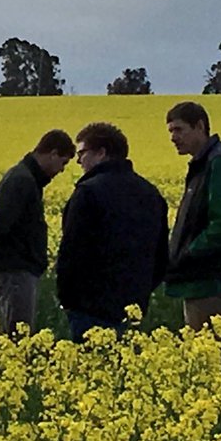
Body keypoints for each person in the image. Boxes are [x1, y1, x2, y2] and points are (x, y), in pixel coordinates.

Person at [56, 122, 168, 341]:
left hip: (89, 309)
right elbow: (161, 257)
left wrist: (68, 300)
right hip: (133, 308)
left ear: (101, 153)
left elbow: (71, 254)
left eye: (82, 153)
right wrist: (140, 292)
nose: (78, 161)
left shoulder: (88, 193)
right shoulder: (151, 194)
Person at [0, 129, 75, 336]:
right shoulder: (21, 180)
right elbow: (3, 222)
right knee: (17, 336)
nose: (61, 170)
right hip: (15, 270)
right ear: (53, 153)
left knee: (18, 334)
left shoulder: (27, 178)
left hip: (19, 268)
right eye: (63, 163)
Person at [165, 101, 221, 329]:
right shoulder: (205, 162)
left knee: (212, 353)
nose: (173, 137)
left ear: (200, 126)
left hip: (212, 282)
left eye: (179, 130)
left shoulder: (219, 162)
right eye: (171, 131)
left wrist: (189, 252)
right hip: (200, 280)